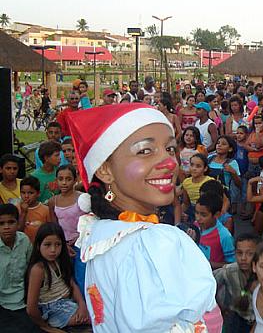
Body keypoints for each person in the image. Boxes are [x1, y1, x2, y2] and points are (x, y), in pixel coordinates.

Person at [66, 102, 216, 332]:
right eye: (145, 151)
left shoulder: (99, 232)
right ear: (105, 169)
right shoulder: (155, 242)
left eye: (170, 149)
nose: (169, 163)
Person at [25, 222, 89, 331]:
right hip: (53, 309)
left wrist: (82, 304)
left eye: (58, 244)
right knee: (96, 319)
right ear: (38, 245)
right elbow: (31, 308)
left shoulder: (59, 260)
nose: (53, 250)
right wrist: (46, 327)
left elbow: (71, 283)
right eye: (47, 245)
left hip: (68, 302)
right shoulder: (38, 270)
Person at [0, 204, 39, 333]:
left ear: (18, 223)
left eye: (11, 222)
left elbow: (30, 269)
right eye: (1, 223)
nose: (6, 227)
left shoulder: (24, 240)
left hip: (22, 300)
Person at [47, 165, 86, 297]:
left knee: (81, 276)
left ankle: (85, 307)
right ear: (56, 181)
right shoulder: (53, 201)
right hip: (63, 245)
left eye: (68, 179)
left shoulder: (83, 199)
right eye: (61, 179)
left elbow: (90, 222)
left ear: (75, 180)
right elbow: (54, 227)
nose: (64, 183)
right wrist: (63, 244)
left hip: (81, 244)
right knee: (66, 276)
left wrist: (78, 238)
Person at [213, 233, 259, 333]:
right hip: (236, 320)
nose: (243, 258)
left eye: (250, 254)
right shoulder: (229, 271)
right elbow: (210, 282)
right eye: (239, 253)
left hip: (258, 322)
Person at [195, 192, 235, 270]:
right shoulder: (195, 225)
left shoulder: (224, 236)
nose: (198, 218)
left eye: (203, 215)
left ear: (217, 215)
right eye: (196, 213)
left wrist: (208, 264)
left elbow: (232, 265)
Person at [181, 153, 214, 223]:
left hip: (207, 211)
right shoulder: (186, 182)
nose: (194, 168)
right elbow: (186, 203)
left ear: (205, 168)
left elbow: (222, 201)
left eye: (198, 166)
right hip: (192, 211)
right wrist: (181, 213)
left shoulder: (209, 181)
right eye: (192, 165)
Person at [17, 176, 50, 243]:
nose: (26, 196)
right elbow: (18, 231)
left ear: (38, 193)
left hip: (39, 246)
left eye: (31, 193)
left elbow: (49, 230)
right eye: (23, 193)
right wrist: (23, 212)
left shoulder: (46, 210)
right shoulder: (16, 208)